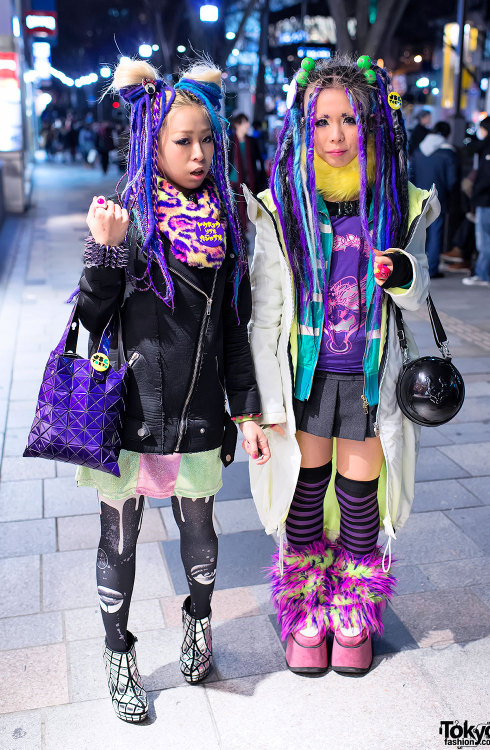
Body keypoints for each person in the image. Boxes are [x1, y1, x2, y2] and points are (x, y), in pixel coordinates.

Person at [75, 58, 269, 722]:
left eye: (206, 139)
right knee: (120, 542)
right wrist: (103, 254)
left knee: (202, 537)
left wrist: (245, 410)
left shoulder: (227, 222)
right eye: (182, 141)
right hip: (132, 415)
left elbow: (235, 327)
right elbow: (89, 321)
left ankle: (198, 622)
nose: (197, 153)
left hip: (199, 414)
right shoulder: (127, 217)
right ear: (154, 142)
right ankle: (118, 654)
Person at [245, 53, 440, 676]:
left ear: (373, 124)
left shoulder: (398, 199)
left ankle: (353, 610)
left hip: (368, 379)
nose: (335, 136)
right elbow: (266, 310)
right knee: (305, 495)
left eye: (350, 121)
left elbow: (420, 291)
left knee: (359, 498)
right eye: (323, 121)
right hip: (304, 380)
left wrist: (403, 274)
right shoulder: (283, 204)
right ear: (304, 125)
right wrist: (263, 405)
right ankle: (304, 608)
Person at [411, 121, 459, 277]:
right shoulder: (447, 153)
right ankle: (431, 269)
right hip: (438, 198)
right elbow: (452, 180)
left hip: (418, 197)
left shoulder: (419, 150)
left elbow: (412, 175)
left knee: (417, 233)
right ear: (446, 134)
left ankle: (414, 268)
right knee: (436, 233)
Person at [462, 115, 490, 286]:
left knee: (484, 239)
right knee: (485, 238)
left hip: (487, 201)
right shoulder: (489, 147)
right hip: (488, 200)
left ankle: (483, 275)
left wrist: (476, 192)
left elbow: (489, 177)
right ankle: (483, 273)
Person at [229, 113, 267, 233]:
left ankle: (250, 229)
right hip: (234, 181)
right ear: (237, 125)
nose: (247, 125)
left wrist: (261, 176)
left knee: (252, 206)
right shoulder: (230, 141)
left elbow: (259, 160)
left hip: (249, 180)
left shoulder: (251, 141)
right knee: (236, 208)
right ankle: (240, 230)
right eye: (245, 122)